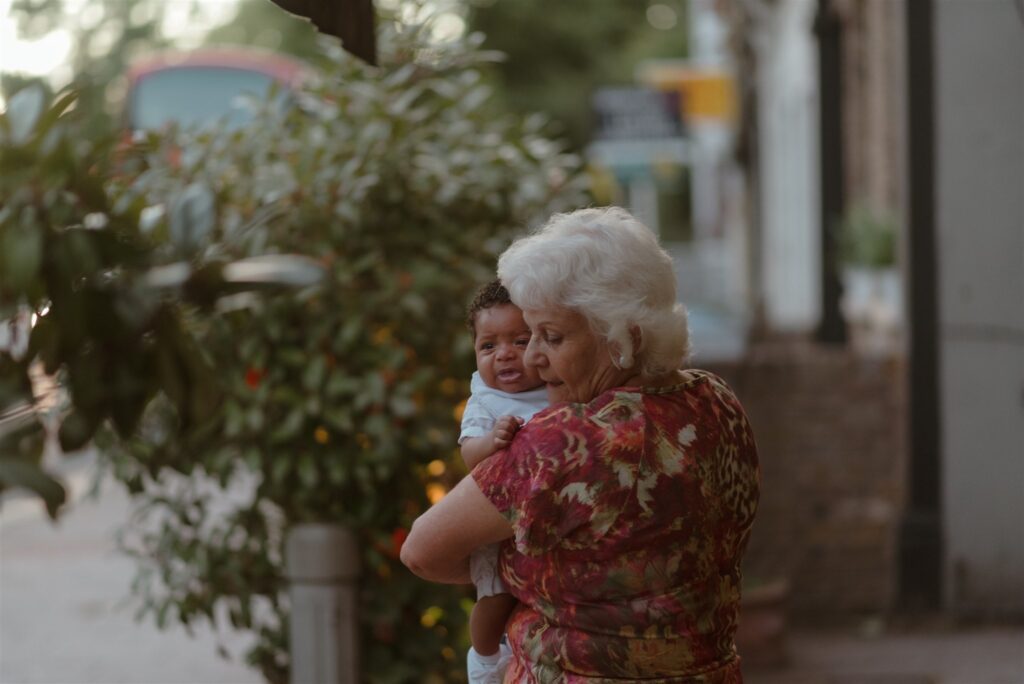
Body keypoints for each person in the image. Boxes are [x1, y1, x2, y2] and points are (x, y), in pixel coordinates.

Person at [402, 207, 759, 682]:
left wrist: (516, 569)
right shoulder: (716, 402)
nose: (531, 357)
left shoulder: (563, 443)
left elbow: (422, 551)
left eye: (550, 337)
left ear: (623, 340)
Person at [459, 280, 548, 683]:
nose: (504, 355)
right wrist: (491, 441)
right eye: (488, 346)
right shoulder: (485, 401)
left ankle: (515, 653)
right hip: (497, 527)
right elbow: (467, 453)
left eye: (519, 340)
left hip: (540, 524)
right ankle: (483, 659)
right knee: (495, 597)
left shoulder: (554, 388)